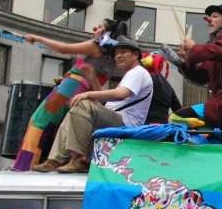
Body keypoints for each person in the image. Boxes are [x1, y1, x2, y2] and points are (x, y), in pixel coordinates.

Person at [12, 18, 127, 171]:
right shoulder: (111, 56)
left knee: (39, 121)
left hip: (71, 86)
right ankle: (51, 162)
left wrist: (38, 38)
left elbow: (63, 48)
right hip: (84, 90)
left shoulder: (95, 47)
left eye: (99, 27)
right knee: (59, 126)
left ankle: (24, 165)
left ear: (108, 32)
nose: (95, 29)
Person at [32, 36, 153, 173]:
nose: (118, 56)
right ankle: (55, 160)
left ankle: (80, 158)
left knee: (83, 104)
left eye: (123, 52)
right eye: (116, 54)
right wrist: (93, 80)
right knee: (74, 110)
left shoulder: (138, 72)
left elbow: (120, 94)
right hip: (116, 119)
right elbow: (107, 103)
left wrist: (88, 94)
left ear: (136, 54)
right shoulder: (131, 74)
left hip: (126, 124)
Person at [170, 4, 222, 140]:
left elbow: (220, 50)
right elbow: (201, 76)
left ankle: (197, 136)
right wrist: (185, 63)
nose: (209, 19)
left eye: (214, 16)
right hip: (221, 107)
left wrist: (194, 48)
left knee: (176, 117)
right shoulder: (217, 45)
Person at [140, 52, 181, 124]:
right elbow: (178, 110)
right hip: (163, 128)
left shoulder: (142, 80)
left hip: (143, 127)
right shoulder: (167, 85)